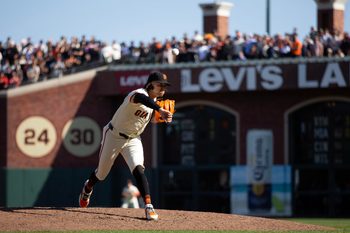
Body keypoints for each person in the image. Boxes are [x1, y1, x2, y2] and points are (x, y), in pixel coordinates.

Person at [78, 71, 173, 221]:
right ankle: (88, 187)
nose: (163, 88)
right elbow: (141, 99)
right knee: (101, 174)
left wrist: (161, 117)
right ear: (150, 85)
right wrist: (159, 109)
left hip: (133, 139)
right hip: (113, 135)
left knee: (139, 169)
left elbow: (150, 118)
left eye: (165, 86)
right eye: (159, 84)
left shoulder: (154, 105)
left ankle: (148, 206)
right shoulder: (137, 93)